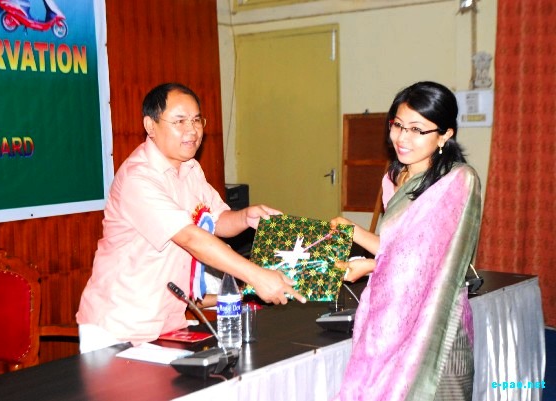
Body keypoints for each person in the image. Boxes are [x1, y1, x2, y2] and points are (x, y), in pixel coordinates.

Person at [76, 82, 305, 353]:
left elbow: (216, 220)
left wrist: (245, 217)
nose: (192, 130)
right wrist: (257, 276)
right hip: (119, 326)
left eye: (197, 120)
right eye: (180, 121)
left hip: (168, 323)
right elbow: (190, 238)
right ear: (150, 126)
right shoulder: (138, 178)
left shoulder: (190, 169)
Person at [332, 81, 481, 401]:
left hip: (436, 319)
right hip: (389, 318)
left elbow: (426, 263)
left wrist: (367, 266)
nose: (402, 137)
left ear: (444, 135)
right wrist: (352, 231)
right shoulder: (393, 178)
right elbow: (397, 249)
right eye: (397, 125)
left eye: (416, 129)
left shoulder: (457, 180)